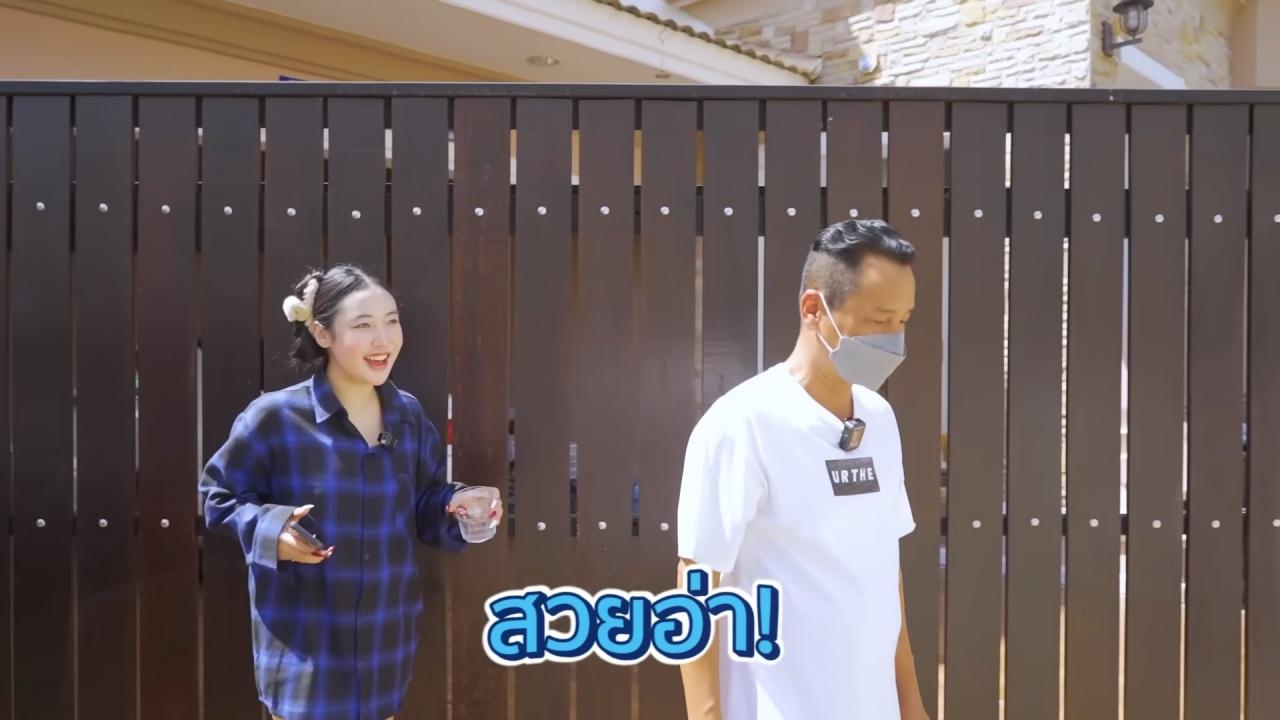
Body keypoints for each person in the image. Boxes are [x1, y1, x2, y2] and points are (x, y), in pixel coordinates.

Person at [199, 264, 502, 720]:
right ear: (323, 334)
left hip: (385, 645)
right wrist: (272, 531)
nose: (383, 340)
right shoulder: (275, 418)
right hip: (305, 651)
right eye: (362, 325)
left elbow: (424, 504)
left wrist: (455, 504)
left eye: (391, 321)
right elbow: (217, 497)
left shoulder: (409, 417)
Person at [676, 219, 929, 720]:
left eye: (903, 320)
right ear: (814, 309)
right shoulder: (743, 423)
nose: (894, 338)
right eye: (880, 319)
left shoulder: (879, 419)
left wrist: (910, 702)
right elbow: (698, 581)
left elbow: (885, 570)